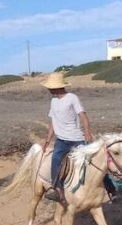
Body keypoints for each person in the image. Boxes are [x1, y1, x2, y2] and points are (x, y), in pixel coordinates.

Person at [41, 72, 116, 204]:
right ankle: (57, 190)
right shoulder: (53, 102)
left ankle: (111, 189)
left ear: (56, 87)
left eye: (50, 87)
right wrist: (47, 140)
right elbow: (52, 121)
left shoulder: (72, 98)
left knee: (92, 161)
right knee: (56, 160)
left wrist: (87, 133)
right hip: (61, 141)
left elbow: (83, 116)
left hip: (76, 138)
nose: (48, 89)